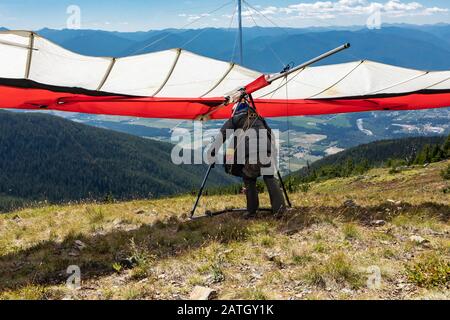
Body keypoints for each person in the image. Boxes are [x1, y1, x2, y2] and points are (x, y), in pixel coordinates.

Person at [207, 95, 286, 219]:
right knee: (270, 178)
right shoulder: (259, 119)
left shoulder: (235, 119)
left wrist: (211, 153)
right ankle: (280, 210)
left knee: (249, 179)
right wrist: (272, 153)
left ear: (235, 111)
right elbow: (271, 136)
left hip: (252, 154)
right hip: (267, 152)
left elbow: (221, 136)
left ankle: (251, 212)